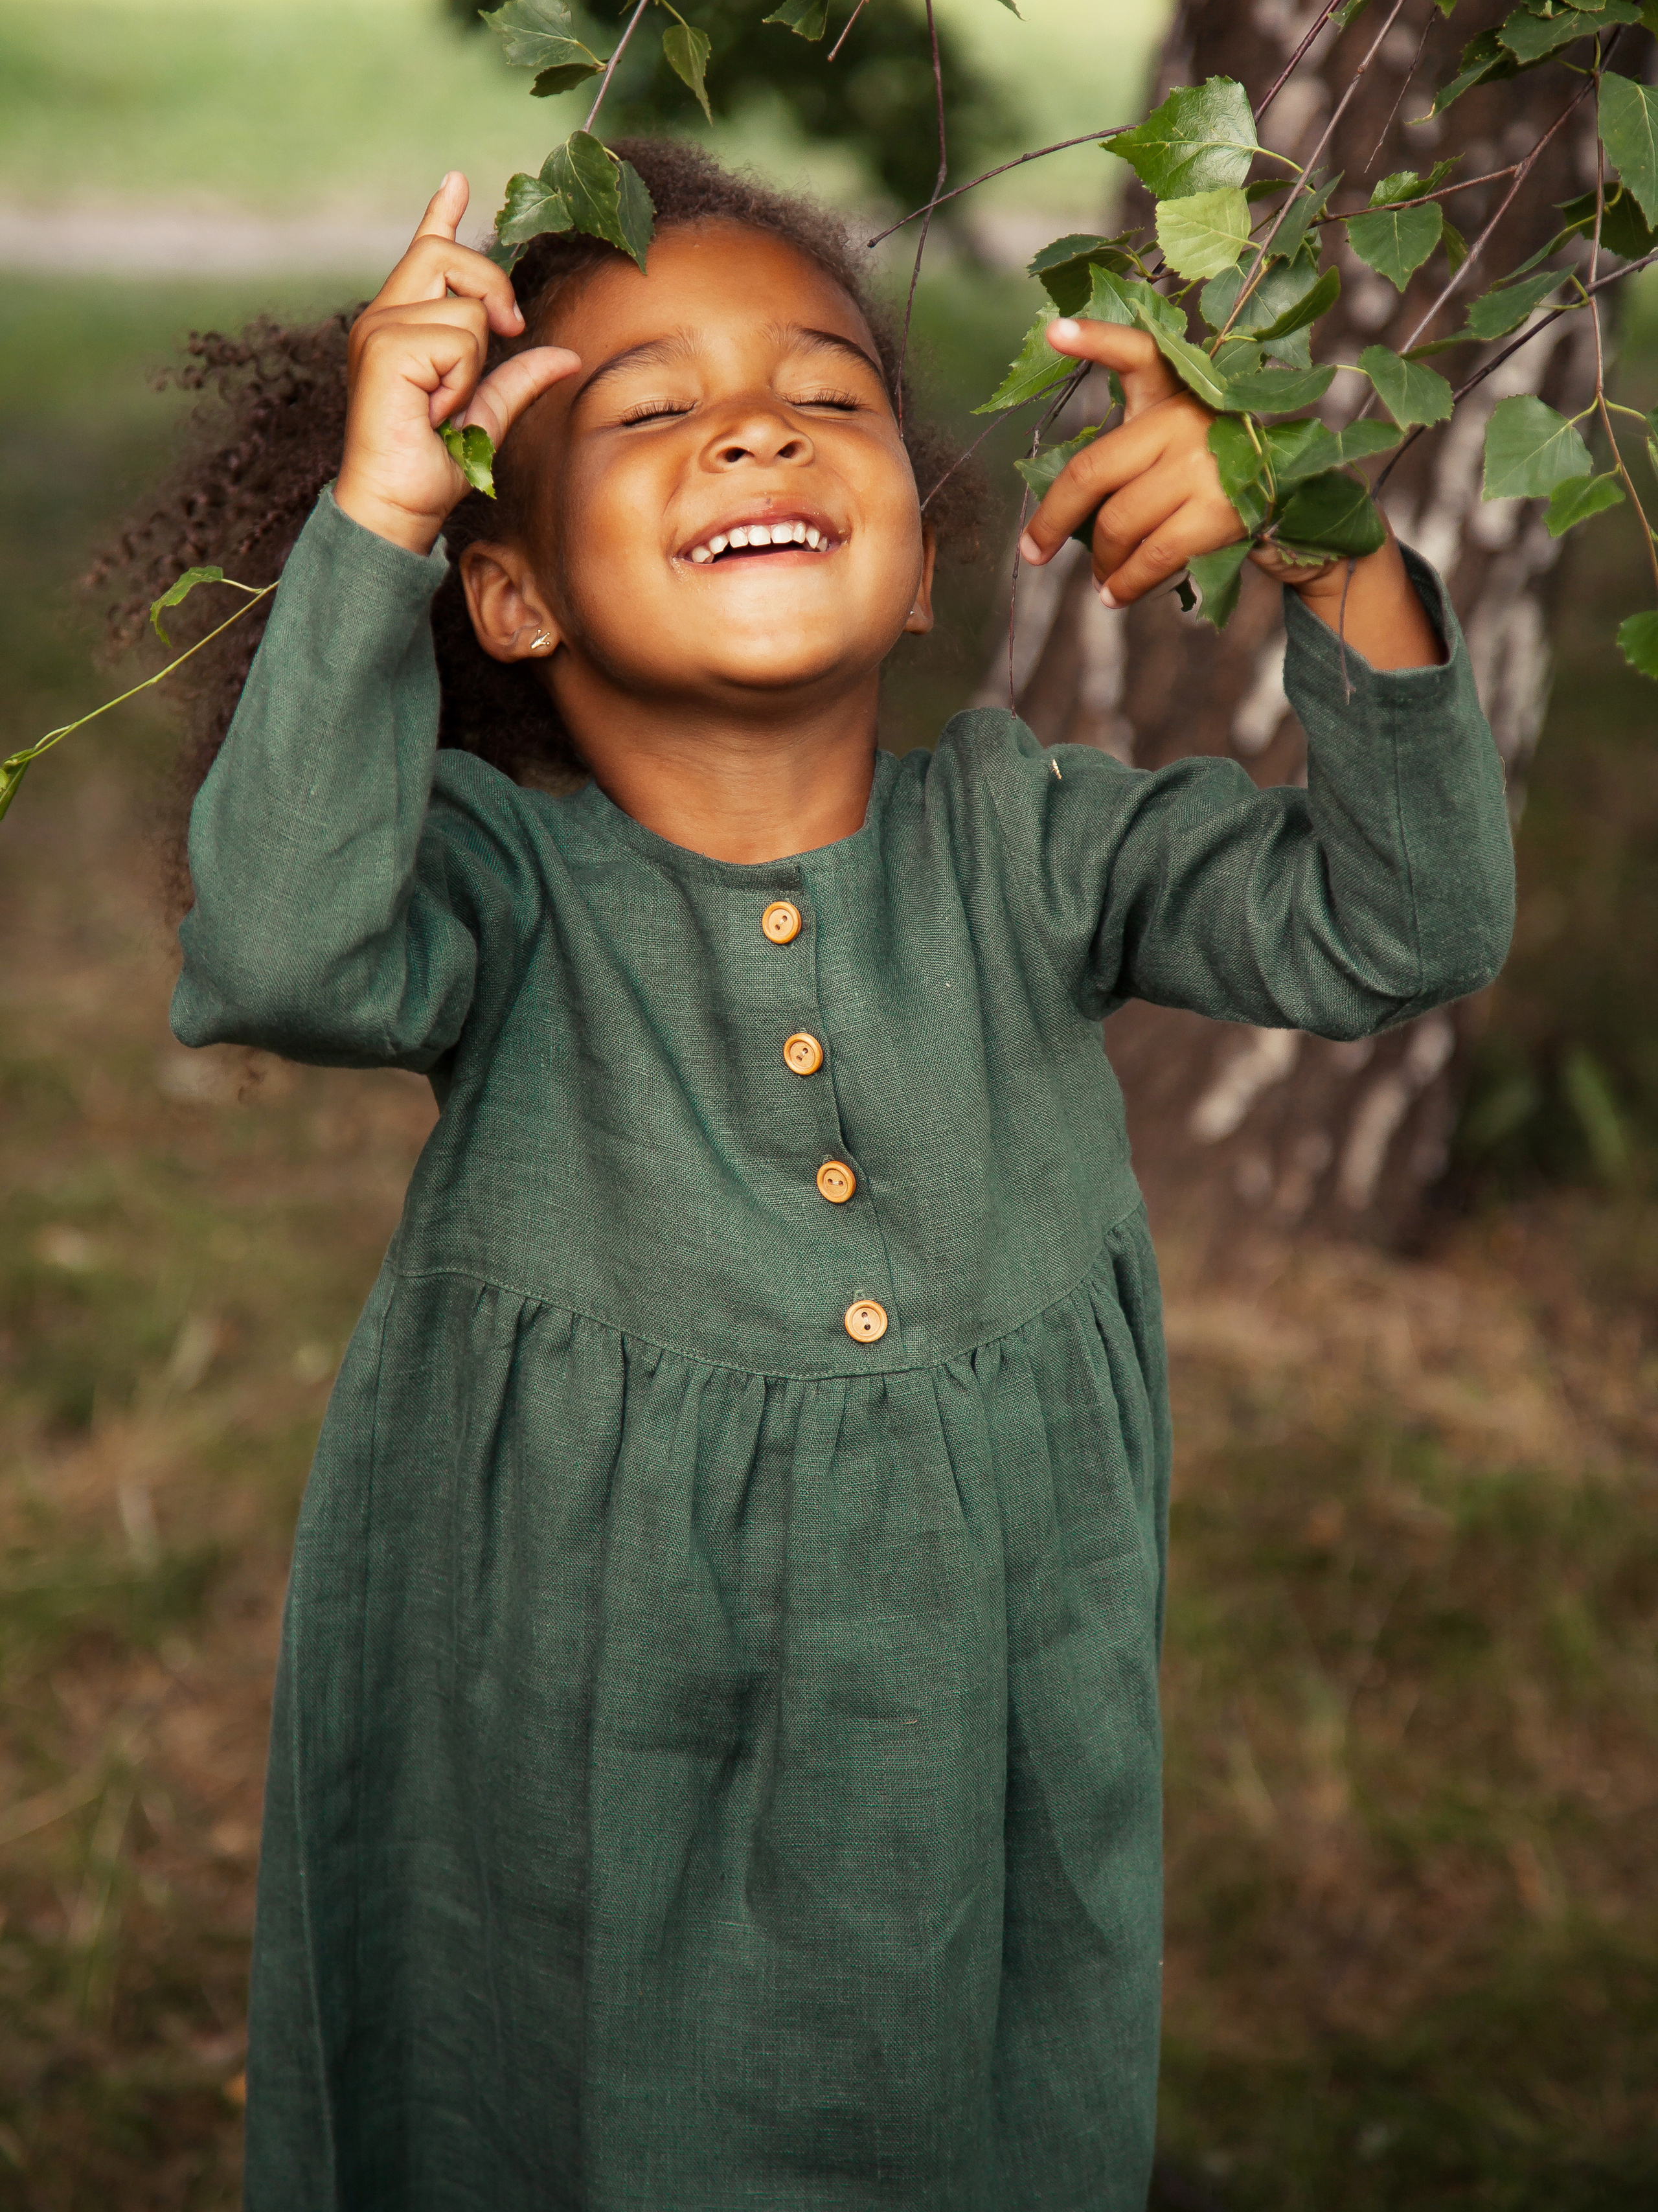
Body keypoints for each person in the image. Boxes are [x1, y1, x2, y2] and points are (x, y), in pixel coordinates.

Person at [129, 137, 1511, 2209]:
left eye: (825, 393)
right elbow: (276, 950)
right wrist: (380, 517)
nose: (755, 425)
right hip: (563, 1699)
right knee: (557, 2100)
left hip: (974, 1691)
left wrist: (1328, 548)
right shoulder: (498, 888)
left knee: (962, 2097)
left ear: (924, 563)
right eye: (649, 411)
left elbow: (1404, 926)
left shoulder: (1034, 846)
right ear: (509, 591)